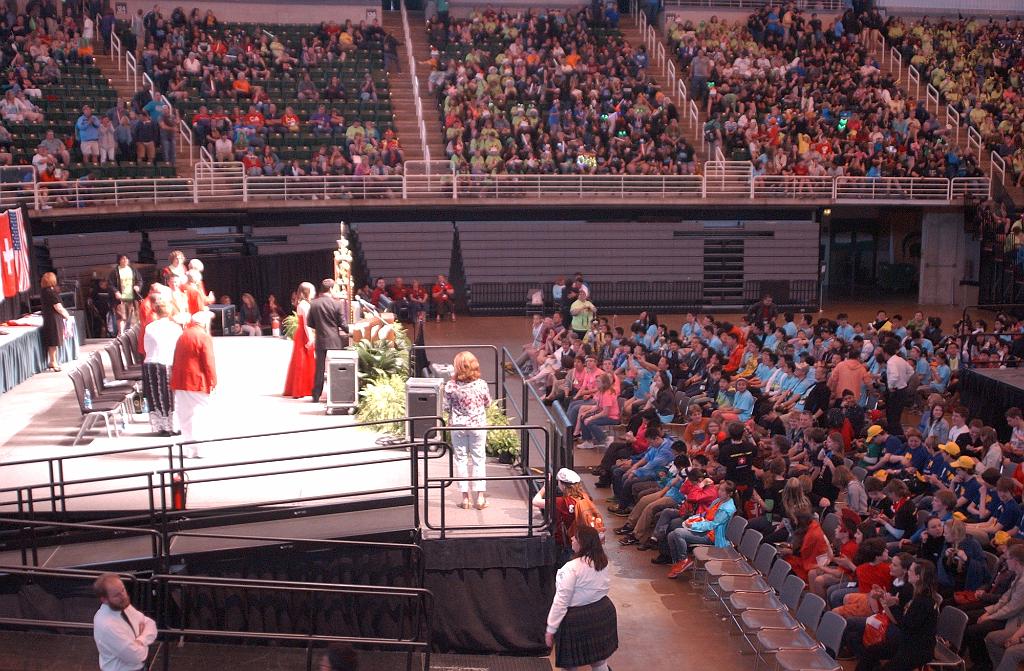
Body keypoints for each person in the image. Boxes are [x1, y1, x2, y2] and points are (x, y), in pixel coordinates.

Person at [545, 525, 618, 671]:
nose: (572, 538)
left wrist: (551, 628)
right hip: (603, 612)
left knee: (570, 665)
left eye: (576, 537)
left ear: (583, 543)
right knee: (599, 661)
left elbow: (561, 602)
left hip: (577, 619)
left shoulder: (570, 568)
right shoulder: (602, 560)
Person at [855, 559, 940, 671]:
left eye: (910, 570)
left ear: (918, 577)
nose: (908, 572)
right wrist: (891, 604)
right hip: (908, 642)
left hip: (917, 650)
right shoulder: (918, 594)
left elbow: (904, 625)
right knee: (871, 651)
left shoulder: (923, 601)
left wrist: (892, 605)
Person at [444, 351, 492, 509]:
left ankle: (465, 498)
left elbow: (446, 407)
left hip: (458, 426)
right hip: (477, 425)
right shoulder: (481, 384)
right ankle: (480, 498)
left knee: (461, 460)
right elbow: (488, 403)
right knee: (479, 459)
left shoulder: (451, 386)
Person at [170, 311, 217, 458]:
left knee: (184, 415)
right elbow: (208, 361)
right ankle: (200, 448)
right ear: (205, 323)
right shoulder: (203, 336)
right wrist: (213, 380)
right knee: (199, 414)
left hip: (180, 380)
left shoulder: (183, 335)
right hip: (197, 381)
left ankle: (188, 448)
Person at [92, 572, 157, 671]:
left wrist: (140, 641)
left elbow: (150, 624)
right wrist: (144, 639)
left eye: (123, 590)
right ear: (104, 599)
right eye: (117, 595)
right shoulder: (108, 625)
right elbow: (137, 656)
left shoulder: (122, 605)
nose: (123, 596)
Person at [306, 278, 349, 404]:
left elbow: (310, 323)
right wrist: (351, 331)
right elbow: (342, 324)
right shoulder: (337, 304)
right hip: (334, 340)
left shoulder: (314, 303)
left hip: (320, 339)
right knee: (335, 368)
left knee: (319, 369)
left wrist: (321, 327)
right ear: (330, 289)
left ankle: (316, 396)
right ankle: (335, 394)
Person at [142, 300, 181, 437]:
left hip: (153, 362)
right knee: (171, 396)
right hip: (170, 362)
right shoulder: (176, 328)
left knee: (157, 396)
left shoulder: (150, 327)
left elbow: (146, 347)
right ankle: (174, 425)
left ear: (156, 312)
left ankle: (163, 426)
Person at [284, 282, 316, 399]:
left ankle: (302, 387)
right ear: (307, 292)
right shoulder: (304, 305)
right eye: (312, 290)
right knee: (302, 360)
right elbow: (307, 324)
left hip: (301, 333)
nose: (314, 292)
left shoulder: (302, 304)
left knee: (300, 359)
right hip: (304, 334)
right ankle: (301, 388)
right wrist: (311, 338)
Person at [40, 272, 70, 372]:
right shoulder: (50, 292)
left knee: (53, 340)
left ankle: (53, 361)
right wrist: (67, 315)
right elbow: (58, 307)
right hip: (53, 319)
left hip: (49, 317)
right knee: (53, 340)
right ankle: (53, 361)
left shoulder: (44, 291)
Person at [108, 255, 143, 334]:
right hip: (121, 299)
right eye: (123, 259)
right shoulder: (115, 271)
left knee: (134, 317)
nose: (125, 260)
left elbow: (139, 280)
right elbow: (110, 284)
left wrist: (138, 286)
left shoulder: (133, 270)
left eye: (126, 258)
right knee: (121, 316)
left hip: (132, 297)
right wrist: (116, 291)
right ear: (119, 260)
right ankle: (121, 333)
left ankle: (133, 334)